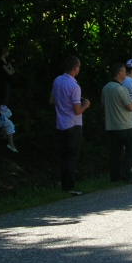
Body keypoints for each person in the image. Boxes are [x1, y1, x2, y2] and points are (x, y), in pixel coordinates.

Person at [51, 56, 91, 195]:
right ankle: (70, 187)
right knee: (72, 156)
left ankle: (64, 184)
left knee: (63, 156)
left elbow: (52, 100)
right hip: (73, 125)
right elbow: (77, 110)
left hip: (60, 123)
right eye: (79, 67)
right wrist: (86, 105)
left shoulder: (57, 80)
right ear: (75, 68)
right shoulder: (74, 86)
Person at [103, 61, 132, 182]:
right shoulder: (121, 89)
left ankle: (115, 177)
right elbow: (130, 107)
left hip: (111, 126)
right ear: (119, 73)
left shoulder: (105, 88)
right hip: (126, 125)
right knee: (130, 151)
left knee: (115, 153)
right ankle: (128, 175)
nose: (126, 73)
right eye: (124, 71)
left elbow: (103, 104)